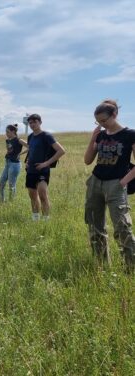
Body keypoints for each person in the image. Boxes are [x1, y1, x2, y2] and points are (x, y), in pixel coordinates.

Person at [83, 99, 135, 272]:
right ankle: (102, 264)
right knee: (95, 225)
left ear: (115, 114)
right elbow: (88, 160)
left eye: (104, 121)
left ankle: (130, 268)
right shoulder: (101, 135)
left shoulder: (130, 134)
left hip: (116, 184)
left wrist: (122, 182)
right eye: (98, 122)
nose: (102, 125)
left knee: (122, 227)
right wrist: (93, 139)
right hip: (95, 181)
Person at [25, 113, 66, 221]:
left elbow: (61, 151)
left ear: (40, 122)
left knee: (42, 193)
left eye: (35, 122)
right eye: (30, 123)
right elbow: (31, 150)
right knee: (32, 195)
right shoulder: (30, 137)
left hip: (43, 170)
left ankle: (46, 220)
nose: (32, 124)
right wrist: (27, 161)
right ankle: (35, 218)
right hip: (30, 170)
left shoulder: (46, 136)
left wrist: (46, 163)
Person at [0, 124, 27, 202]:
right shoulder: (7, 140)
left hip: (14, 165)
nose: (6, 134)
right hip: (7, 163)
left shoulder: (19, 140)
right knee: (0, 184)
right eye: (6, 132)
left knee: (11, 185)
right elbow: (10, 151)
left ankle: (11, 202)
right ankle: (2, 201)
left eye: (8, 132)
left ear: (13, 131)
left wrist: (21, 154)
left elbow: (30, 147)